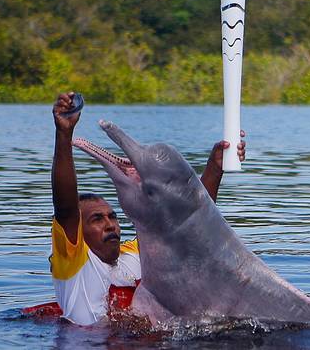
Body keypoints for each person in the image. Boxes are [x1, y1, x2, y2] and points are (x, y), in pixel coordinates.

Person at [50, 92, 246, 326]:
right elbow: (65, 208)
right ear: (78, 232)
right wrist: (64, 136)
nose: (110, 224)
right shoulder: (73, 262)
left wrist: (215, 168)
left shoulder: (135, 253)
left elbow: (188, 226)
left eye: (112, 217)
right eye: (97, 219)